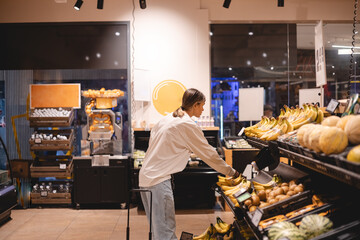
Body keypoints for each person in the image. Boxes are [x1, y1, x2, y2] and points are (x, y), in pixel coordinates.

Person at [139, 88, 240, 240]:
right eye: (202, 105)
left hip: (146, 178)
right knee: (165, 232)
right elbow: (209, 154)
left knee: (157, 230)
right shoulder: (187, 124)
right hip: (158, 180)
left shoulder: (167, 119)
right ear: (195, 105)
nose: (203, 109)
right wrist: (232, 172)